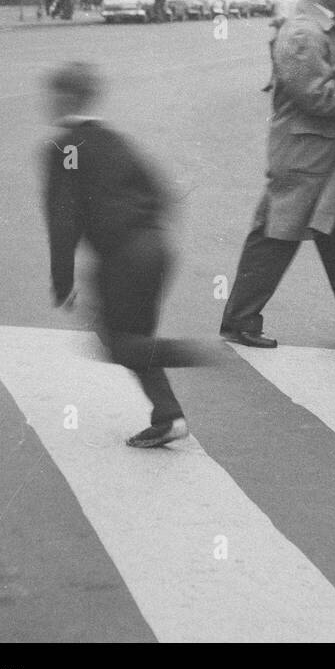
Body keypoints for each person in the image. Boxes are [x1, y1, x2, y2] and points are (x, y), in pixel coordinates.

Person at [42, 61, 207, 448]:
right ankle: (168, 415)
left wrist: (61, 280)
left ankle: (193, 353)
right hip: (155, 248)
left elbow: (63, 219)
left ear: (67, 96)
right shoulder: (117, 140)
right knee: (136, 337)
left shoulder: (63, 147)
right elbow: (161, 191)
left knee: (118, 343)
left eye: (54, 95)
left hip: (122, 257)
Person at [219, 0, 335, 348]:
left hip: (326, 154)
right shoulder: (304, 31)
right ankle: (239, 319)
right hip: (306, 154)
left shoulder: (329, 23)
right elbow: (317, 95)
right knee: (276, 234)